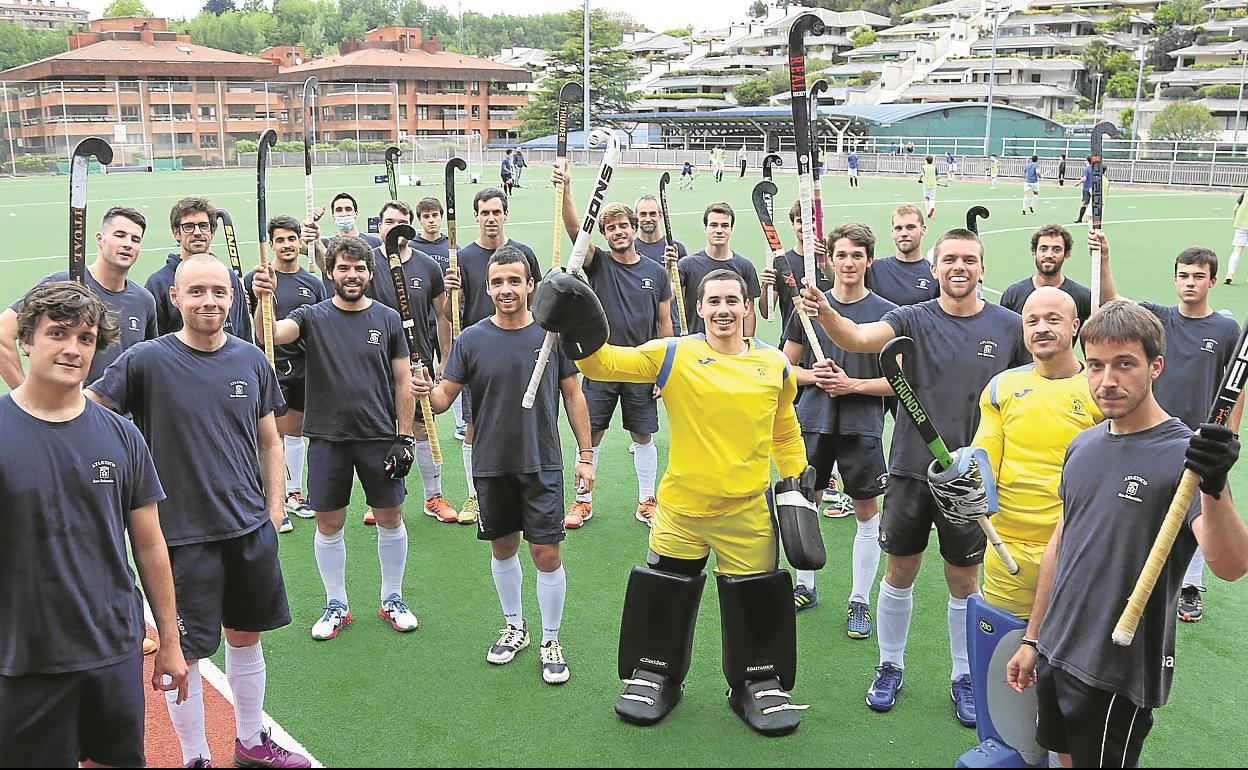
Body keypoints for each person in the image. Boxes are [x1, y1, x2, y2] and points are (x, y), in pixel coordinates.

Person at [555, 266, 813, 736]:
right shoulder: (673, 353)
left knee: (755, 600)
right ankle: (657, 674)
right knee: (665, 596)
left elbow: (785, 430)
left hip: (747, 513)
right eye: (713, 301)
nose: (723, 310)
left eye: (732, 300)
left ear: (747, 304)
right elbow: (603, 364)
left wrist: (797, 480)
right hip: (680, 513)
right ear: (698, 307)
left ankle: (755, 683)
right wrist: (578, 318)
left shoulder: (774, 364)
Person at [1006, 300, 1248, 769]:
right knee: (1065, 759)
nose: (1107, 380)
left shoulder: (1186, 457)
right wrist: (1034, 638)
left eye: (1124, 364)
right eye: (1095, 365)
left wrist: (1216, 487)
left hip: (1115, 669)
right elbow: (1061, 544)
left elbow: (1231, 564)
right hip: (1059, 647)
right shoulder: (1084, 444)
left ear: (1155, 366)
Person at [88, 255, 308, 769]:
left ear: (232, 298)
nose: (209, 301)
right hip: (181, 537)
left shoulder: (252, 359)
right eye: (197, 292)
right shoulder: (145, 360)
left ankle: (251, 742)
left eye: (219, 292)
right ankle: (195, 758)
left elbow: (269, 441)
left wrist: (274, 510)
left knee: (246, 636)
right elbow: (92, 411)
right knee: (183, 655)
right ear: (175, 298)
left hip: (249, 527)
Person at [802, 227, 1027, 727]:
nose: (959, 268)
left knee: (963, 580)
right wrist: (825, 312)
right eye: (949, 260)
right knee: (900, 571)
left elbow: (1032, 386)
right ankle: (890, 664)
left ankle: (963, 675)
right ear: (935, 268)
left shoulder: (1010, 326)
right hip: (909, 467)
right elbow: (857, 338)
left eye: (969, 259)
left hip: (970, 477)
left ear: (982, 268)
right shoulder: (911, 318)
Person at [0, 281, 186, 768]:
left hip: (112, 647)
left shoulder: (122, 435)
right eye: (57, 333)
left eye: (85, 338)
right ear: (26, 340)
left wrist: (169, 641)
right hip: (25, 659)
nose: (72, 348)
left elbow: (149, 545)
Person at [412, 247, 594, 686]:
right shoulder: (471, 339)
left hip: (541, 462)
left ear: (531, 285)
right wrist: (422, 387)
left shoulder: (551, 336)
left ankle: (552, 639)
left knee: (546, 552)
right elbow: (441, 401)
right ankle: (516, 627)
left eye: (515, 281)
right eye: (497, 282)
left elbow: (573, 395)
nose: (506, 290)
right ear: (488, 287)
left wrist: (586, 456)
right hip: (491, 464)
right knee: (504, 548)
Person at [947, 286, 1103, 765]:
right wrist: (964, 476)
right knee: (1009, 674)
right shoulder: (1003, 386)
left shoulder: (1099, 390)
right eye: (1032, 320)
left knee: (1073, 681)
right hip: (1008, 555)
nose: (1041, 328)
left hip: (1078, 557)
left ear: (1075, 326)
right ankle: (1020, 752)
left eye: (1053, 318)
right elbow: (984, 453)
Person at [251, 236, 420, 644]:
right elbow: (270, 334)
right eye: (343, 268)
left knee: (390, 518)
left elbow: (402, 380)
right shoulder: (311, 315)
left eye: (359, 268)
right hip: (327, 438)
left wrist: (405, 435)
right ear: (331, 272)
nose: (351, 275)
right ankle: (336, 604)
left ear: (369, 272)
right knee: (329, 523)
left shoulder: (387, 318)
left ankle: (392, 598)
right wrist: (263, 298)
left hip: (380, 436)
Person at [1095, 233, 1241, 624]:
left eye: (1198, 276)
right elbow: (1114, 302)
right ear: (1175, 279)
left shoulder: (1227, 330)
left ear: (1212, 281)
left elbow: (1237, 382)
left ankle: (1190, 584)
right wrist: (1105, 259)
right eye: (1183, 275)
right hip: (1153, 432)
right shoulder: (1160, 317)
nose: (1189, 282)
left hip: (1197, 438)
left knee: (1198, 510)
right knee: (1143, 501)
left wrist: (1231, 432)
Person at [780, 224, 894, 630]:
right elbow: (784, 368)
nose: (849, 263)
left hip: (862, 426)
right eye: (841, 255)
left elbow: (899, 380)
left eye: (857, 255)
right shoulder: (808, 309)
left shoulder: (886, 313)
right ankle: (805, 585)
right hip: (812, 421)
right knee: (804, 503)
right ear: (829, 259)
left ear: (868, 261)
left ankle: (859, 599)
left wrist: (853, 385)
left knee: (866, 511)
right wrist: (816, 377)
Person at [555, 165, 674, 529]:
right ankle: (582, 501)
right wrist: (568, 189)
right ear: (604, 235)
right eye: (611, 228)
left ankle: (646, 500)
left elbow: (665, 324)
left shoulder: (656, 272)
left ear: (634, 229)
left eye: (624, 225)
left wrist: (665, 370)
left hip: (642, 365)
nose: (618, 232)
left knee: (643, 434)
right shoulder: (599, 263)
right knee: (591, 433)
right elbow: (576, 229)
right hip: (601, 364)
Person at [443, 188, 543, 524]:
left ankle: (533, 485)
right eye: (484, 213)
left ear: (505, 214)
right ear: (476, 216)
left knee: (528, 423)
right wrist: (450, 292)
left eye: (496, 212)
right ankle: (475, 495)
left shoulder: (524, 253)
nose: (490, 218)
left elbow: (540, 303)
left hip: (524, 352)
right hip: (480, 357)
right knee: (475, 426)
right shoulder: (465, 258)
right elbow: (448, 313)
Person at [363, 200, 456, 524]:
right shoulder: (367, 263)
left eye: (401, 221)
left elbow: (442, 316)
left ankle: (434, 496)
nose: (394, 226)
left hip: (417, 360)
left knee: (421, 427)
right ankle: (383, 498)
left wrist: (444, 356)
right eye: (388, 221)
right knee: (380, 429)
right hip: (374, 362)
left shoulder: (427, 265)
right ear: (380, 225)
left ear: (408, 225)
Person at [0, 206, 156, 390]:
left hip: (120, 417)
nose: (128, 244)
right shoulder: (61, 284)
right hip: (68, 412)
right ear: (100, 239)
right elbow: (3, 333)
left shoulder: (144, 301)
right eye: (120, 235)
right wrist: (29, 398)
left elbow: (148, 363)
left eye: (135, 239)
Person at [244, 215, 329, 532]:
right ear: (271, 244)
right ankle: (270, 499)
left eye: (291, 239)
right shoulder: (261, 277)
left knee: (295, 430)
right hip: (271, 366)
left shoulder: (313, 283)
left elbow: (321, 327)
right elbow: (258, 329)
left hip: (304, 367)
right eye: (279, 240)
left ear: (299, 242)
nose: (286, 245)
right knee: (270, 435)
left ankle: (294, 493)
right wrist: (262, 298)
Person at [145, 197, 253, 341]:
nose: (197, 232)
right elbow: (154, 341)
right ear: (177, 233)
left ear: (212, 231)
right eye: (188, 226)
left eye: (203, 226)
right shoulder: (158, 283)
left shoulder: (229, 277)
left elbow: (243, 334)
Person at [676, 203, 761, 337]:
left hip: (732, 345)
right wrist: (669, 270)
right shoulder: (687, 265)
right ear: (706, 228)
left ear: (731, 229)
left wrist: (748, 342)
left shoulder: (745, 266)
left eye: (725, 226)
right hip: (696, 346)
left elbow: (749, 312)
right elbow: (672, 301)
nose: (719, 230)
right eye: (714, 225)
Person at [999, 224, 1093, 327]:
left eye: (1056, 249)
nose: (1049, 255)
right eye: (1043, 249)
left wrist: (1104, 258)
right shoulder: (1013, 295)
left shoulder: (1082, 297)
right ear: (1034, 252)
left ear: (1066, 254)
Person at [308, 192, 383, 292]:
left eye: (348, 209)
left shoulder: (374, 242)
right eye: (339, 210)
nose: (344, 214)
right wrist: (309, 223)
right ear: (333, 215)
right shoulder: (323, 244)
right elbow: (299, 244)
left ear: (356, 213)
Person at [866, 204, 938, 307]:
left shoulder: (934, 274)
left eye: (910, 227)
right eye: (898, 228)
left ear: (923, 230)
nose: (904, 233)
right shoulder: (874, 269)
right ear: (892, 233)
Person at [633, 194, 686, 334]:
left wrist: (668, 270)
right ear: (636, 217)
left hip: (670, 326)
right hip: (641, 329)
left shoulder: (675, 249)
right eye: (643, 214)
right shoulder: (630, 250)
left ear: (660, 216)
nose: (648, 219)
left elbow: (674, 294)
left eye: (652, 214)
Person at [1224, 190, 1248, 283]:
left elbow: (1235, 208)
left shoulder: (1246, 192)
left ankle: (1230, 274)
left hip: (1241, 225)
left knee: (1237, 250)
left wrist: (1237, 219)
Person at [1073, 157, 1094, 225]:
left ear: (1088, 161)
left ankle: (1082, 219)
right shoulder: (1095, 169)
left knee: (1085, 204)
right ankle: (1086, 219)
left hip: (1087, 189)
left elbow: (1084, 178)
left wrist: (1078, 183)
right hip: (1093, 188)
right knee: (1089, 204)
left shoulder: (1086, 169)